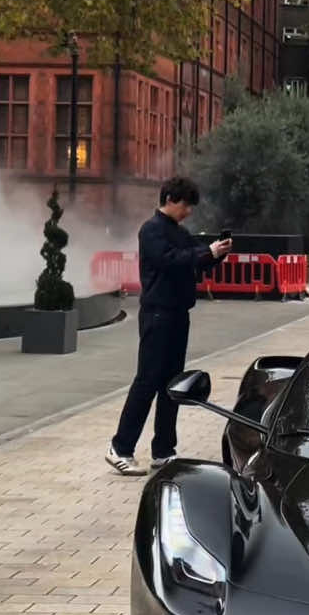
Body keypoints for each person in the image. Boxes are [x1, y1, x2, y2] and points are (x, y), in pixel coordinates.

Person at [106, 178, 231, 475]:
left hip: (177, 314)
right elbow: (170, 261)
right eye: (186, 204)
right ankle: (120, 447)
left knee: (172, 384)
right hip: (158, 314)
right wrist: (205, 254)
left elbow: (194, 260)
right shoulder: (151, 230)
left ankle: (163, 450)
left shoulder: (179, 232)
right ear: (171, 199)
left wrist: (216, 254)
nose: (188, 211)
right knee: (147, 380)